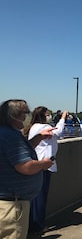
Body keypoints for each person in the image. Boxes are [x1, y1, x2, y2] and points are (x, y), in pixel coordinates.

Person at [0, 99, 55, 239]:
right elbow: (25, 167)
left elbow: (17, 154)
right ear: (15, 116)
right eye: (26, 112)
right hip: (12, 206)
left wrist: (39, 137)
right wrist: (44, 164)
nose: (29, 116)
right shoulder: (11, 136)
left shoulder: (7, 133)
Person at [24, 107, 67, 235]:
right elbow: (58, 131)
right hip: (42, 166)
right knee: (40, 197)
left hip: (41, 165)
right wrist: (63, 117)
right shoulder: (41, 127)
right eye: (48, 114)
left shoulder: (35, 127)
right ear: (42, 115)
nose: (50, 116)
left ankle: (34, 224)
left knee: (38, 197)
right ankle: (38, 225)